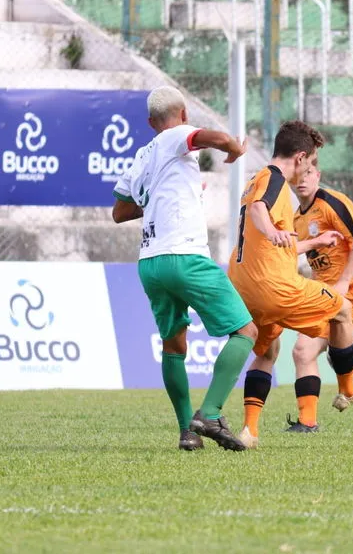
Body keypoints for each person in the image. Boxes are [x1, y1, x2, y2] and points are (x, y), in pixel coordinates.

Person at [112, 86, 257, 452]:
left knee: (174, 345)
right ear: (184, 113)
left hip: (150, 262)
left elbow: (120, 212)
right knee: (246, 331)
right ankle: (209, 413)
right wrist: (235, 148)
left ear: (149, 123)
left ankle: (186, 432)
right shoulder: (178, 135)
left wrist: (160, 199)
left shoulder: (143, 156)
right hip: (184, 256)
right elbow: (217, 138)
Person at [227, 120, 353, 449]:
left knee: (267, 352)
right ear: (301, 157)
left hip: (244, 284)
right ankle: (347, 386)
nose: (309, 168)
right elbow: (261, 213)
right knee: (342, 310)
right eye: (312, 159)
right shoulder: (274, 178)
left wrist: (310, 244)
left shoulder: (255, 181)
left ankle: (249, 431)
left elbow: (266, 234)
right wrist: (273, 230)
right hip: (274, 286)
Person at [286, 163, 353, 431]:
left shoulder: (332, 202)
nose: (302, 180)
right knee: (302, 351)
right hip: (322, 298)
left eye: (308, 173)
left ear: (318, 174)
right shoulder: (297, 218)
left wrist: (343, 281)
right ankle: (307, 423)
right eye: (297, 175)